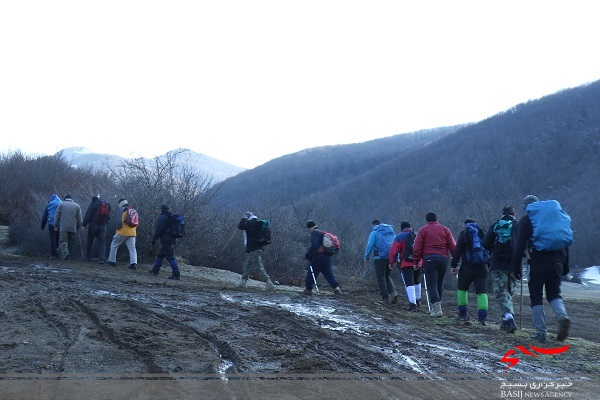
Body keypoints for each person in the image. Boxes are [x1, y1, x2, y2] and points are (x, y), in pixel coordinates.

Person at [512, 195, 571, 343]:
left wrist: (516, 267)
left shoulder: (527, 220)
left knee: (536, 297)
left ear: (527, 207)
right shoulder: (555, 220)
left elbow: (519, 246)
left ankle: (541, 333)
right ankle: (562, 316)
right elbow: (565, 242)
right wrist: (565, 265)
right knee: (554, 295)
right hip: (557, 262)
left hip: (537, 263)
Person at [482, 206, 518, 334]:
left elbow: (485, 243)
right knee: (508, 292)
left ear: (502, 214)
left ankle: (508, 318)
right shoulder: (517, 225)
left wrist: (494, 250)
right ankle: (506, 321)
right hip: (514, 264)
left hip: (498, 263)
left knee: (500, 292)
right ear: (514, 214)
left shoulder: (496, 225)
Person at [412, 212, 456, 317]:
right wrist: (454, 259)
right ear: (437, 219)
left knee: (432, 284)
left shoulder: (423, 230)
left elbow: (417, 247)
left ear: (427, 220)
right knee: (440, 284)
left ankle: (436, 309)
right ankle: (436, 307)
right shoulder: (445, 229)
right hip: (443, 259)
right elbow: (453, 246)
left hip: (429, 259)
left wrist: (416, 260)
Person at [451, 218, 490, 325]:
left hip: (467, 268)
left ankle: (462, 314)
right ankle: (482, 318)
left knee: (462, 290)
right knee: (482, 292)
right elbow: (488, 249)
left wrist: (454, 265)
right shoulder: (482, 232)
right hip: (482, 267)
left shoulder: (464, 234)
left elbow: (457, 251)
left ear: (465, 225)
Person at [389, 222, 422, 311]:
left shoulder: (400, 237)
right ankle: (418, 301)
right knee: (416, 280)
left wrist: (391, 262)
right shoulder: (417, 235)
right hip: (418, 262)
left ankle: (413, 305)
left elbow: (393, 251)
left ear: (402, 228)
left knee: (409, 283)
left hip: (406, 263)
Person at [237, 212, 274, 290]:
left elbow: (240, 226)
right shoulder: (258, 224)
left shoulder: (251, 223)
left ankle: (269, 283)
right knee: (248, 265)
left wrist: (243, 218)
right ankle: (243, 283)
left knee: (258, 267)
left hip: (254, 249)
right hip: (258, 248)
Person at [364, 220, 398, 304]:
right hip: (390, 257)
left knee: (381, 278)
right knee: (387, 276)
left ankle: (385, 298)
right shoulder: (390, 231)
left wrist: (366, 256)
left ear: (374, 225)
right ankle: (394, 293)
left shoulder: (375, 232)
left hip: (379, 258)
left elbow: (370, 245)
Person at [304, 220, 342, 295]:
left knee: (312, 272)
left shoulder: (314, 232)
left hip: (319, 256)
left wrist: (308, 254)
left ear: (310, 227)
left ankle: (308, 289)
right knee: (328, 273)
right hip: (327, 256)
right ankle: (337, 289)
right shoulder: (322, 232)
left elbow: (315, 245)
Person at [150, 204, 181, 280]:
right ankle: (155, 271)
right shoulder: (171, 217)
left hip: (166, 240)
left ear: (162, 209)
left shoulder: (162, 217)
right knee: (160, 255)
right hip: (172, 239)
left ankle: (176, 274)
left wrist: (154, 239)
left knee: (170, 257)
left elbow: (158, 230)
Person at [107, 199, 138, 270]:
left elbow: (119, 223)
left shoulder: (122, 210)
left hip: (123, 232)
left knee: (114, 245)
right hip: (133, 232)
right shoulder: (132, 209)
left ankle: (111, 261)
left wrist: (117, 230)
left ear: (120, 203)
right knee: (132, 249)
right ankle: (134, 264)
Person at [82, 195, 111, 264]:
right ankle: (101, 259)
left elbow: (88, 215)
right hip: (103, 226)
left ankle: (88, 258)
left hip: (93, 226)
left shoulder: (93, 204)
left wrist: (84, 225)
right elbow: (109, 217)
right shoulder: (106, 205)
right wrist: (106, 224)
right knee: (101, 242)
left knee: (90, 241)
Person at [53, 195, 83, 260]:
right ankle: (67, 254)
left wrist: (55, 225)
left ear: (65, 199)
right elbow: (79, 219)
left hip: (63, 228)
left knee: (63, 242)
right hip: (73, 228)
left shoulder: (61, 205)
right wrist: (79, 226)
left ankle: (65, 254)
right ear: (71, 199)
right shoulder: (77, 206)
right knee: (70, 242)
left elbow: (57, 216)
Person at [40, 194, 62, 258]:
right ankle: (58, 253)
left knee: (53, 239)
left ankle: (53, 255)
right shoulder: (61, 203)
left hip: (51, 224)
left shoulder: (49, 204)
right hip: (60, 224)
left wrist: (42, 226)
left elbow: (44, 216)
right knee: (58, 239)